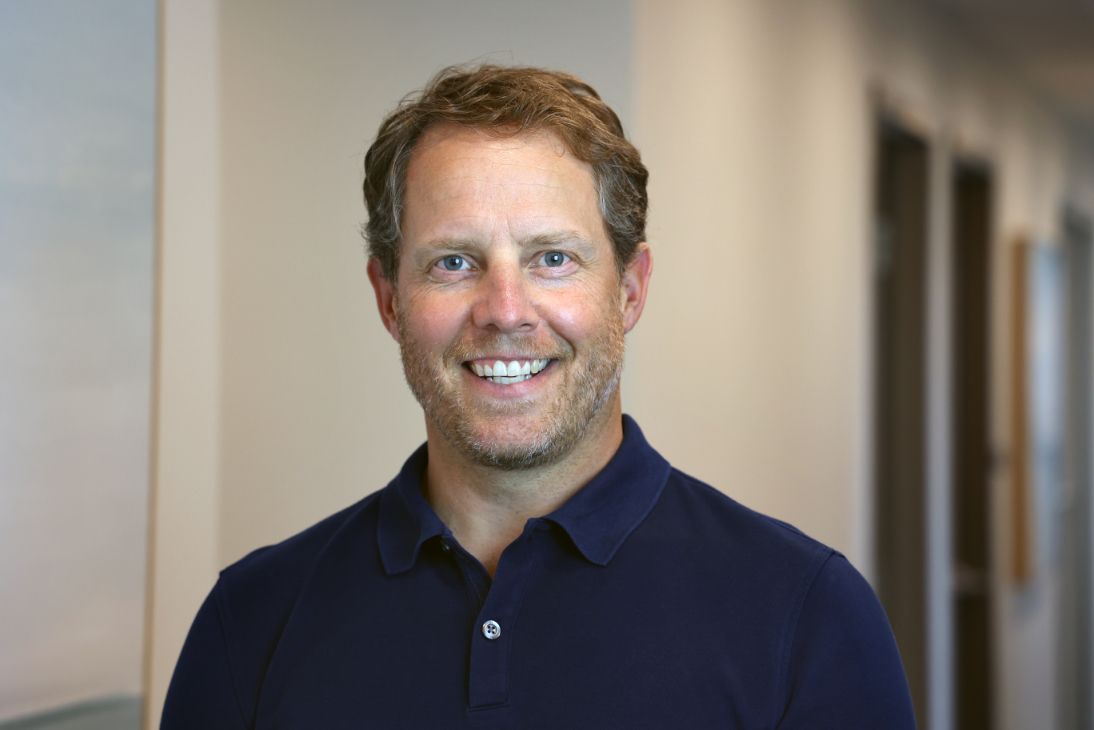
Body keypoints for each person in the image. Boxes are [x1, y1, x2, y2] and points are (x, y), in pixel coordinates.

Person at [162, 64, 915, 729]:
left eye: (552, 258)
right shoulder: (252, 622)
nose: (506, 309)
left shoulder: (805, 615)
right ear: (389, 299)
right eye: (454, 262)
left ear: (629, 289)